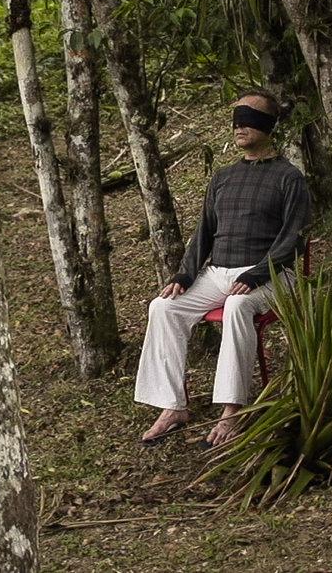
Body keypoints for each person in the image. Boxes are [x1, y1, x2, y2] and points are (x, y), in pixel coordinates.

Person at [135, 88, 310, 448]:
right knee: (163, 307)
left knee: (236, 305)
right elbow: (204, 231)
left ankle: (231, 412)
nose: (239, 126)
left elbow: (294, 238)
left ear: (269, 124)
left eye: (250, 117)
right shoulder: (223, 177)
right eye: (236, 118)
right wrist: (185, 274)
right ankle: (172, 406)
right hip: (220, 273)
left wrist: (257, 274)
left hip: (271, 274)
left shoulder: (288, 177)